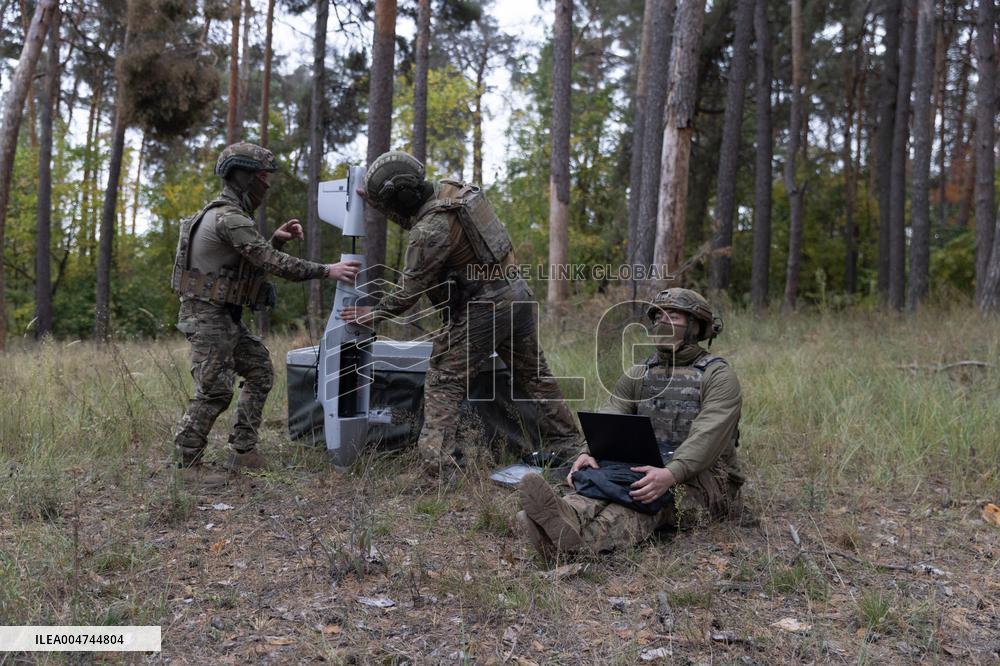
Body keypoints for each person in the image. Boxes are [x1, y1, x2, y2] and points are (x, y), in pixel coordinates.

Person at [339, 150, 582, 478]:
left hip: (483, 307)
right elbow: (420, 216)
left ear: (403, 197)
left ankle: (436, 470)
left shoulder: (429, 232)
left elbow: (408, 292)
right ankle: (572, 445)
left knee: (443, 381)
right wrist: (379, 203)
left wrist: (372, 314)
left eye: (392, 202)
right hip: (516, 296)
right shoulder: (452, 192)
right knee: (535, 377)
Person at [171, 142, 360, 484]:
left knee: (259, 371)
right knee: (215, 390)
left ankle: (244, 451)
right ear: (244, 177)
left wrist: (276, 239)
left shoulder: (232, 216)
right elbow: (270, 263)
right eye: (262, 176)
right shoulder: (227, 217)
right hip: (207, 315)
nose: (267, 185)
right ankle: (186, 466)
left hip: (223, 315)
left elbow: (251, 261)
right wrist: (327, 270)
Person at [516, 288, 747, 558]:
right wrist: (588, 451)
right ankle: (567, 514)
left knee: (644, 499)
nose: (663, 322)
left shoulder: (718, 376)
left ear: (696, 326)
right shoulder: (641, 373)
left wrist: (670, 475)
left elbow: (708, 436)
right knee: (606, 481)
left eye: (673, 315)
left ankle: (571, 541)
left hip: (705, 479)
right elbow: (611, 415)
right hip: (646, 465)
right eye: (659, 316)